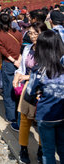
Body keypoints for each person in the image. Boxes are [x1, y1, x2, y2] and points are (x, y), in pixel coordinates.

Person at [25, 30, 64, 164]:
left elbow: (29, 91)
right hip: (62, 114)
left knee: (48, 152)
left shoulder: (38, 70)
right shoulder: (62, 69)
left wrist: (39, 92)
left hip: (45, 116)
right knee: (62, 149)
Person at [13, 22, 48, 163]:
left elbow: (46, 71)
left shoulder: (47, 50)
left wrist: (25, 76)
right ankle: (23, 149)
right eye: (31, 33)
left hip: (43, 88)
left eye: (36, 33)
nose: (33, 36)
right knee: (25, 120)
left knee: (41, 121)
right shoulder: (27, 49)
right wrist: (17, 76)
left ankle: (41, 150)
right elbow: (21, 68)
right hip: (28, 88)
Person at [0, 13, 23, 131]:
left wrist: (13, 60)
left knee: (8, 90)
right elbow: (21, 47)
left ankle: (11, 118)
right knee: (19, 89)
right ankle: (20, 115)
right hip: (20, 64)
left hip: (9, 63)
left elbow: (3, 51)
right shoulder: (18, 32)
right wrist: (19, 60)